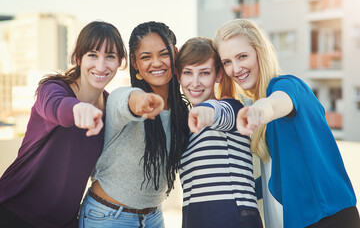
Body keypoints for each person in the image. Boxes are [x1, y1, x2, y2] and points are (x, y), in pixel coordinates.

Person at [213, 18, 360, 228]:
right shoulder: (267, 106)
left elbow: (273, 105)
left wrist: (257, 112)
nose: (235, 68)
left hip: (328, 217)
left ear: (259, 53)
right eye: (227, 62)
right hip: (307, 219)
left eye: (242, 56)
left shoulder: (286, 85)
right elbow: (285, 177)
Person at [0, 21, 127, 228]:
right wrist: (79, 109)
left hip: (63, 223)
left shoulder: (111, 108)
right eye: (93, 55)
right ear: (79, 58)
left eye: (110, 56)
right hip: (13, 213)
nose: (101, 66)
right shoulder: (53, 89)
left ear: (120, 62)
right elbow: (57, 107)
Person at [78, 21, 189, 228]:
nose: (156, 63)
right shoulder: (122, 97)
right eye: (146, 57)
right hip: (107, 218)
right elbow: (128, 100)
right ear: (135, 63)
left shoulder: (182, 113)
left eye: (163, 54)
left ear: (175, 54)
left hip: (154, 218)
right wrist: (143, 102)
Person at [176, 37, 263, 228]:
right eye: (188, 73)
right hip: (194, 220)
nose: (195, 82)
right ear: (179, 77)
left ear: (218, 75)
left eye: (205, 73)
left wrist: (207, 111)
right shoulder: (185, 127)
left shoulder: (230, 106)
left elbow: (221, 113)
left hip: (232, 219)